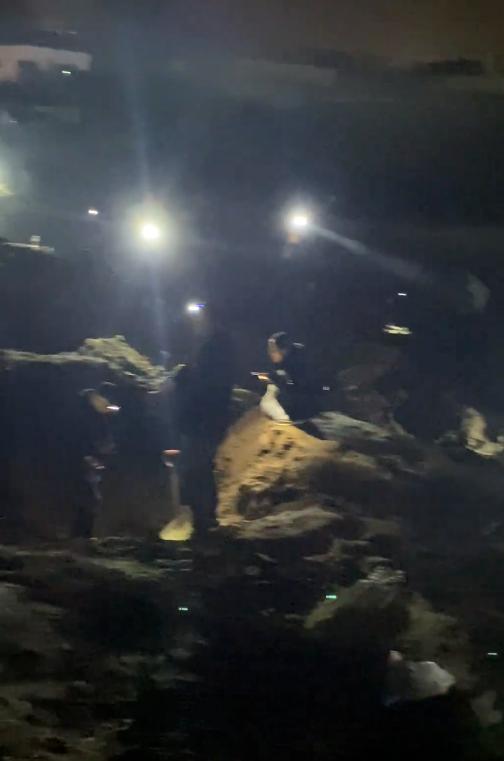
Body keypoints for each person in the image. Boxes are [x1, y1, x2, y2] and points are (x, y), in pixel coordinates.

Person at [173, 304, 235, 535]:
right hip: (204, 419)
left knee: (196, 469)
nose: (196, 324)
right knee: (198, 469)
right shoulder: (214, 346)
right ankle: (202, 518)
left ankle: (203, 520)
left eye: (200, 319)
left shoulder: (215, 347)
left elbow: (206, 385)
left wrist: (184, 377)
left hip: (204, 420)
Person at [260, 332, 321, 423]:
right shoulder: (281, 362)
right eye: (269, 350)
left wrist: (287, 380)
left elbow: (308, 385)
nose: (270, 353)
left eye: (273, 350)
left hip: (307, 407)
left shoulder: (300, 361)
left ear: (284, 350)